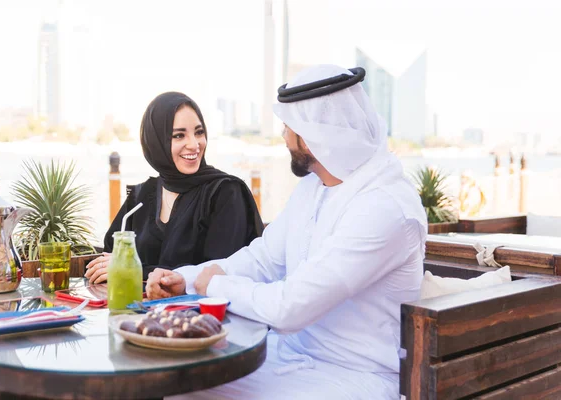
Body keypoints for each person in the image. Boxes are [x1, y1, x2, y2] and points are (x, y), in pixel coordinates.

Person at [148, 65, 428, 399]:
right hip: (286, 355)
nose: (283, 136)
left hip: (355, 376)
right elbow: (264, 258)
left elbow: (290, 308)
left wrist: (216, 285)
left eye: (288, 126)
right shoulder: (315, 187)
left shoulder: (384, 207)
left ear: (313, 133)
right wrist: (188, 280)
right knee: (177, 386)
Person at [85, 92, 264, 283]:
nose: (194, 145)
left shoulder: (225, 193)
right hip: (135, 310)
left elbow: (218, 274)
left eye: (199, 132)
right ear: (155, 141)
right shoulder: (142, 196)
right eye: (179, 135)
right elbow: (108, 262)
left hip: (201, 312)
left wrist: (134, 271)